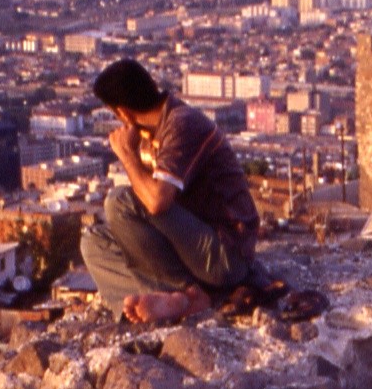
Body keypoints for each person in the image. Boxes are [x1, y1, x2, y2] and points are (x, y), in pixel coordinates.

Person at [80, 58, 259, 323]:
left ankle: (185, 296)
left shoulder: (180, 123)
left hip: (226, 252)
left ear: (124, 113)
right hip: (193, 249)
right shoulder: (149, 135)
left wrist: (127, 156)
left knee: (119, 202)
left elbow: (156, 203)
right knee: (94, 241)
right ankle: (172, 298)